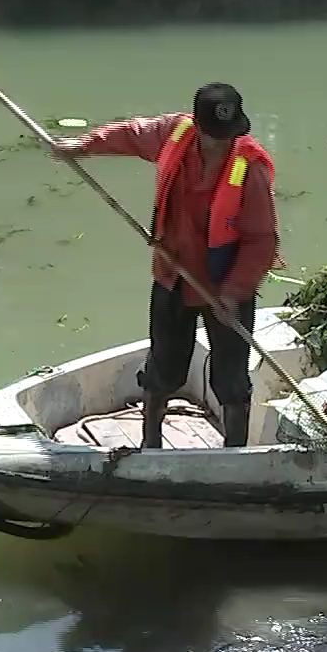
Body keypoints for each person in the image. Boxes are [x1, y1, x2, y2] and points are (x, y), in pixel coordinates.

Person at [50, 83, 280, 449]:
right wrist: (82, 147)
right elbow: (131, 134)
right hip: (173, 277)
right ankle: (151, 443)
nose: (222, 144)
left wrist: (234, 292)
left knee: (232, 380)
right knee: (164, 367)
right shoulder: (175, 134)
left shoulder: (247, 168)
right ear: (198, 127)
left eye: (229, 135)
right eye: (214, 136)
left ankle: (235, 451)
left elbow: (262, 241)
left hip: (225, 286)